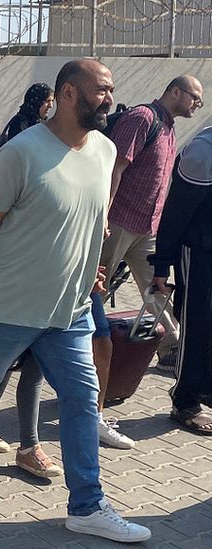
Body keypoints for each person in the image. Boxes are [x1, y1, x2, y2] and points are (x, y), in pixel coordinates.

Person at [0, 59, 151, 543]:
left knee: (83, 401)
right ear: (67, 93)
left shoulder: (104, 151)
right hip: (9, 306)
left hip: (71, 310)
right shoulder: (20, 153)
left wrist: (92, 272)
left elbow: (87, 221)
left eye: (111, 91)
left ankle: (87, 505)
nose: (109, 99)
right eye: (100, 90)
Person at [101, 75, 204, 369]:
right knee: (96, 286)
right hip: (118, 221)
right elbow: (115, 168)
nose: (197, 104)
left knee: (156, 286)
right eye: (194, 97)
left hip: (147, 228)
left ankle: (171, 348)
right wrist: (103, 215)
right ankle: (68, 341)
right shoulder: (142, 118)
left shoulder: (169, 128)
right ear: (174, 91)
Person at [150, 126, 212, 435]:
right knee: (197, 326)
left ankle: (206, 388)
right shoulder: (203, 153)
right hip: (199, 252)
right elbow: (174, 216)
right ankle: (185, 400)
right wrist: (162, 265)